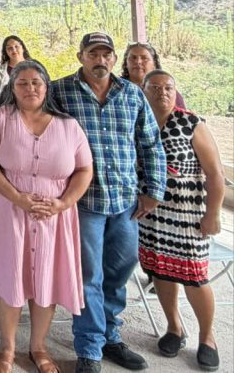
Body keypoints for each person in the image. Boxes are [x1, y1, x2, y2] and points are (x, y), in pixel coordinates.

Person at [52, 32, 166, 373]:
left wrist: (154, 190)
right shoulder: (60, 91)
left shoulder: (132, 94)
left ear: (114, 59)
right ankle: (89, 348)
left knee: (119, 271)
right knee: (89, 275)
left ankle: (110, 336)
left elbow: (150, 143)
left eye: (106, 54)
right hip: (83, 201)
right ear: (80, 56)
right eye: (93, 53)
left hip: (126, 202)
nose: (100, 60)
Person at [0, 60, 93, 373]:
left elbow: (84, 169)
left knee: (46, 279)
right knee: (10, 278)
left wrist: (63, 203)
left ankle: (38, 347)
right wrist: (17, 197)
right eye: (22, 83)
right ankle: (7, 347)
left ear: (46, 86)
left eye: (36, 82)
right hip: (9, 211)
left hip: (55, 216)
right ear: (12, 88)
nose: (30, 88)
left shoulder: (69, 125)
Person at [138, 70, 223, 371]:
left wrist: (212, 214)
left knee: (195, 277)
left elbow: (215, 174)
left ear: (175, 92)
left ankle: (207, 336)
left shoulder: (191, 123)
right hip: (152, 216)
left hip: (188, 215)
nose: (162, 92)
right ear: (144, 91)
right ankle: (174, 327)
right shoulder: (140, 122)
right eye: (155, 87)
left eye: (168, 87)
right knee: (161, 272)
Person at [121, 42, 187, 109]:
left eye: (144, 58)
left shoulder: (167, 92)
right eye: (133, 58)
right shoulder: (116, 88)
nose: (138, 62)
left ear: (154, 64)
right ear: (126, 63)